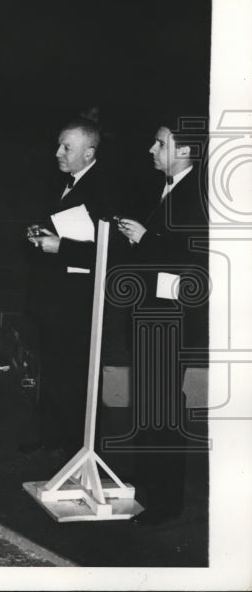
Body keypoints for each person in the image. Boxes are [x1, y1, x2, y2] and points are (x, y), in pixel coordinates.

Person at [111, 119, 208, 525]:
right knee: (150, 403)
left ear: (184, 152)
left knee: (165, 409)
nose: (152, 149)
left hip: (173, 321)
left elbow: (195, 261)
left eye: (160, 143)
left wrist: (143, 238)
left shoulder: (199, 196)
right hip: (150, 314)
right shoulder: (161, 187)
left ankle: (167, 502)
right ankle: (149, 479)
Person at [23, 117, 118, 460]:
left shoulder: (102, 190)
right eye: (59, 144)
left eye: (67, 147)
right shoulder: (64, 182)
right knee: (52, 369)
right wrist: (39, 234)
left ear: (90, 152)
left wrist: (59, 246)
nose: (58, 152)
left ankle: (75, 449)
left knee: (73, 376)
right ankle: (51, 437)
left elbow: (111, 250)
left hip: (76, 301)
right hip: (54, 296)